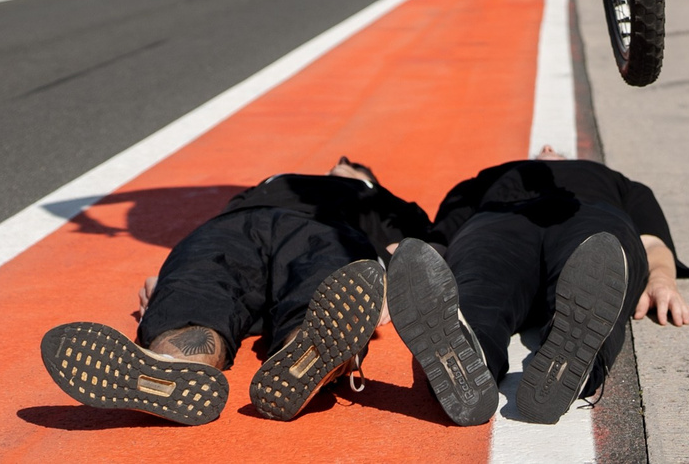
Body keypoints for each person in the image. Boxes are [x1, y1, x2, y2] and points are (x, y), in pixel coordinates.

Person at [38, 157, 435, 426]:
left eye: (346, 164)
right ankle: (170, 366)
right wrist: (169, 282)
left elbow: (427, 255)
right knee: (196, 289)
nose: (336, 163)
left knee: (321, 294)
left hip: (327, 231)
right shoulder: (274, 183)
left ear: (364, 174)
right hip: (238, 226)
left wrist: (387, 278)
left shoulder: (389, 205)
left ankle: (312, 357)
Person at [387, 147, 689, 427]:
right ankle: (467, 357)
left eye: (552, 151)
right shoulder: (485, 180)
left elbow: (652, 241)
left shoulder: (616, 181)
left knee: (598, 268)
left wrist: (661, 278)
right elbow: (439, 244)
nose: (547, 150)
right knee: (477, 286)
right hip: (498, 221)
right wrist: (405, 281)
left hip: (587, 216)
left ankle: (576, 368)